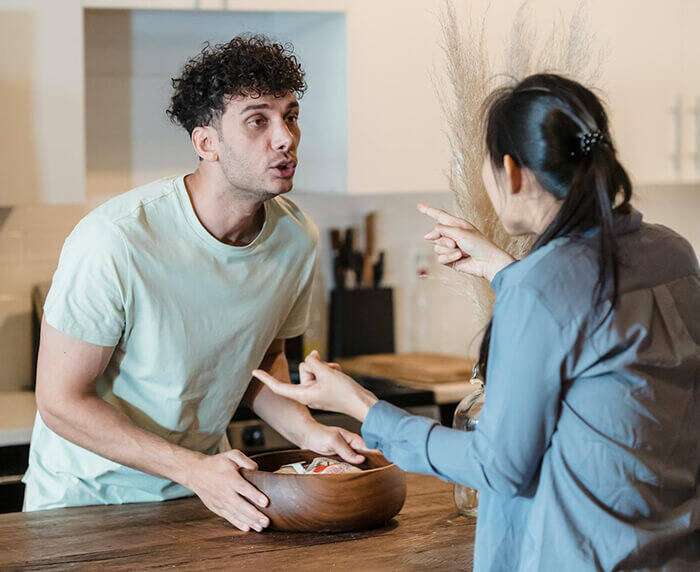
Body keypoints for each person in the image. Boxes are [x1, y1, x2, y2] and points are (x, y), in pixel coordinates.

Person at [253, 74, 700, 569]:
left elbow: (498, 465)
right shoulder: (673, 253)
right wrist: (502, 269)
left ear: (510, 172)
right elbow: (591, 331)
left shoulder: (541, 288)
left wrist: (361, 404)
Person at [24, 35, 367, 533]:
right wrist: (191, 469)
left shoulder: (296, 238)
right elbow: (60, 401)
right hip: (85, 505)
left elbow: (256, 363)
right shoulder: (115, 240)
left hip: (206, 496)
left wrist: (309, 432)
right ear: (206, 142)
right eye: (258, 120)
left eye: (290, 115)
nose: (285, 138)